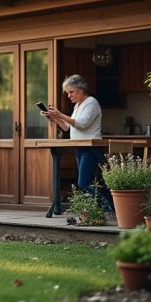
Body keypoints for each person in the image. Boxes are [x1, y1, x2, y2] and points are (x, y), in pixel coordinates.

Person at [41, 74, 113, 210]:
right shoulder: (78, 106)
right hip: (80, 148)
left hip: (91, 148)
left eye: (71, 92)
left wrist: (60, 114)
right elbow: (66, 127)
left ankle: (107, 208)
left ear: (81, 90)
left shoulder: (91, 102)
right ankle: (110, 208)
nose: (69, 95)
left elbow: (82, 124)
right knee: (93, 182)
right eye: (67, 92)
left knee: (84, 183)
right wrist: (53, 118)